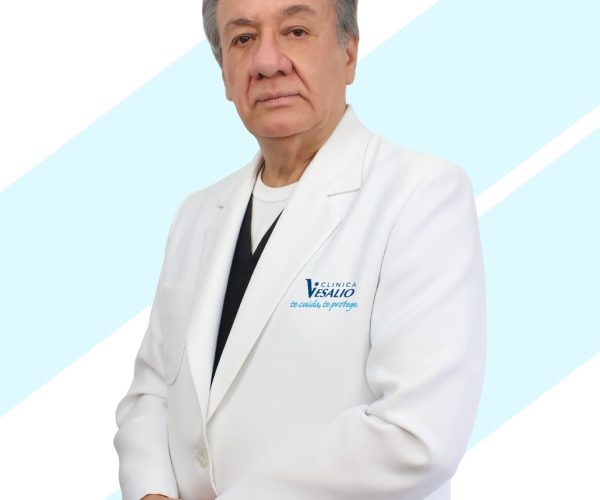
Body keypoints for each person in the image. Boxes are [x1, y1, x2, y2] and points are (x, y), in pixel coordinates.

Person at [113, 0, 487, 499]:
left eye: (295, 31)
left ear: (349, 53)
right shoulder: (197, 214)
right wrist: (152, 491)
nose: (267, 61)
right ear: (224, 74)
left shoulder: (421, 196)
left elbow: (417, 435)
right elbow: (153, 390)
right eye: (243, 38)